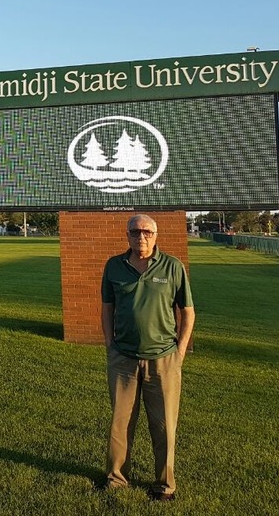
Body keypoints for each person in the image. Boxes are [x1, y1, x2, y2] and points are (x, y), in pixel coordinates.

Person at [101, 214, 195, 501]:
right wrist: (110, 345)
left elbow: (187, 312)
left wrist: (179, 350)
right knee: (120, 422)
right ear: (127, 235)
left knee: (164, 424)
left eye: (146, 232)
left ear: (155, 235)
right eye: (134, 232)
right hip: (124, 359)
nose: (140, 237)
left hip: (163, 359)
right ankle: (116, 478)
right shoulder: (114, 266)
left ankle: (165, 484)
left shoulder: (172, 266)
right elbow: (107, 307)